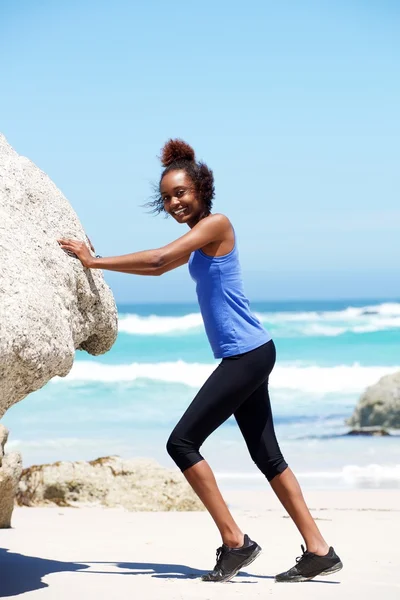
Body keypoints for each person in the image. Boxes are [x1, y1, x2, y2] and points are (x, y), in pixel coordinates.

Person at [58, 139, 343, 583]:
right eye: (167, 197)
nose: (174, 203)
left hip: (247, 355)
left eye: (181, 194)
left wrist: (93, 261)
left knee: (182, 443)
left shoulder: (217, 225)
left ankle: (236, 543)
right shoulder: (199, 236)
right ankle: (319, 550)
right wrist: (97, 263)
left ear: (201, 189)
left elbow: (158, 257)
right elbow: (157, 268)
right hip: (250, 352)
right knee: (267, 455)